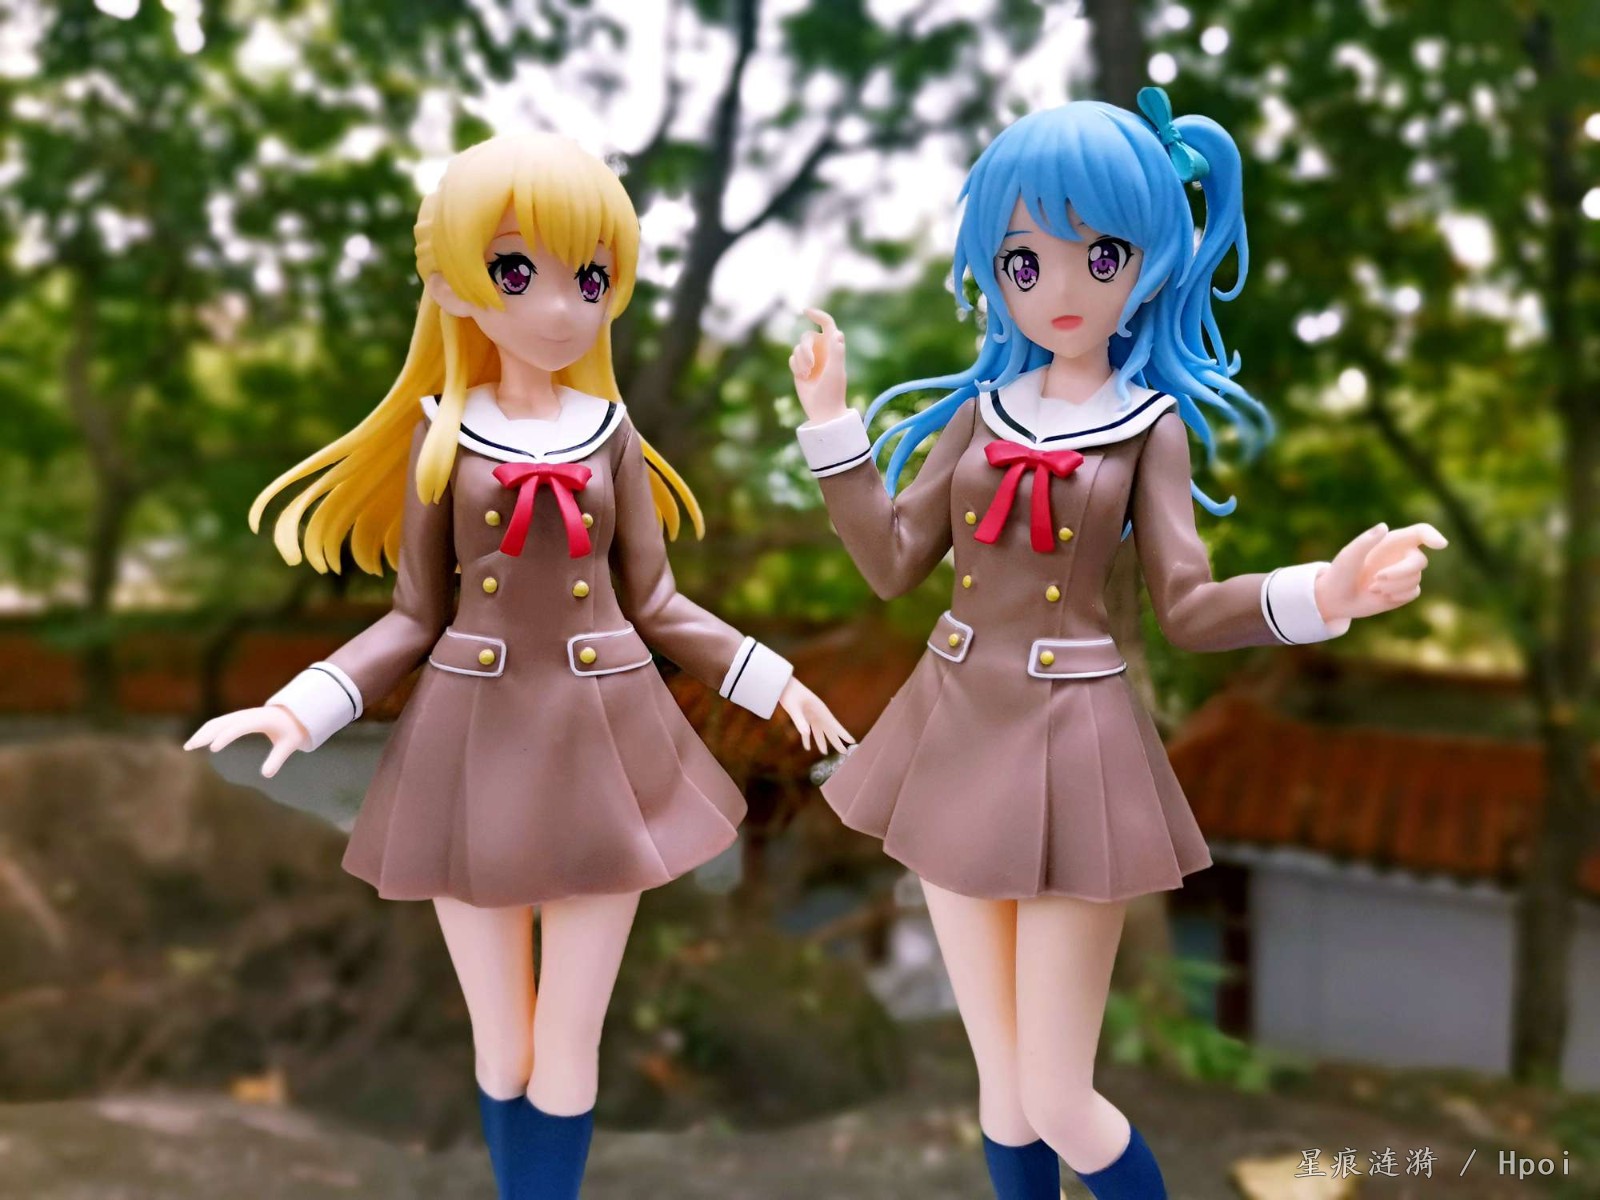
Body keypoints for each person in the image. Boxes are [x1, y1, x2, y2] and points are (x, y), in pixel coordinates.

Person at [784, 88, 1445, 1200]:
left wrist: (1320, 593)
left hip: (1071, 742)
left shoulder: (1149, 426)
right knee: (1002, 1094)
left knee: (1056, 1096)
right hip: (953, 729)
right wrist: (832, 428)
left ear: (1148, 260)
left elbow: (1186, 603)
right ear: (992, 271)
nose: (1059, 288)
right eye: (1023, 261)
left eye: (1099, 255)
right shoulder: (982, 410)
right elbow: (893, 559)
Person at [187, 131, 852, 1200]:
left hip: (606, 735)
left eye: (589, 277)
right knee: (502, 1044)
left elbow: (659, 601)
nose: (560, 305)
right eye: (514, 270)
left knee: (569, 1040)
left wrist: (772, 681)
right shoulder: (439, 435)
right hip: (472, 738)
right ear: (454, 283)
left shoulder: (610, 430)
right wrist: (301, 708)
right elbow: (413, 615)